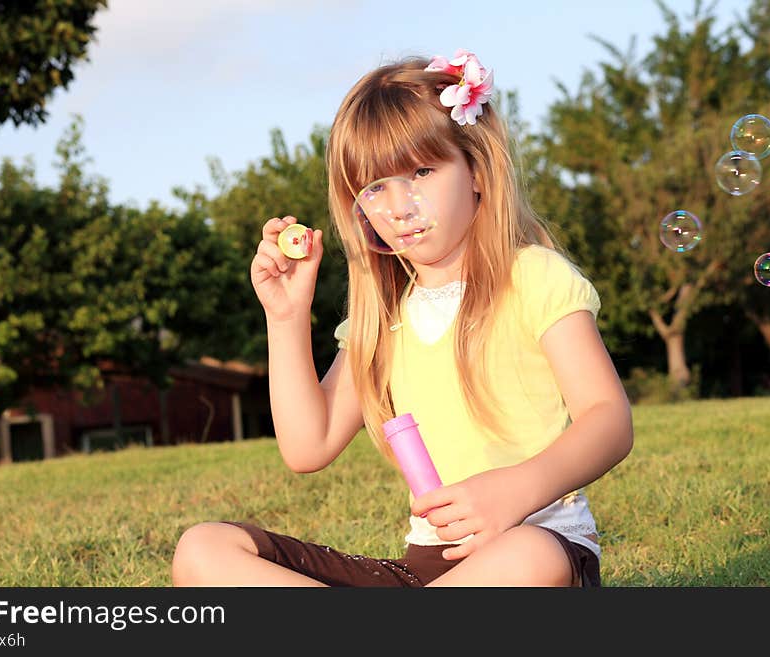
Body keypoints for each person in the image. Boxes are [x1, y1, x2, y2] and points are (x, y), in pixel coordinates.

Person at [171, 49, 633, 587]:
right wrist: (287, 316)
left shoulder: (531, 276)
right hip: (426, 574)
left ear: (477, 171)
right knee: (204, 550)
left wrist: (517, 490)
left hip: (533, 551)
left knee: (530, 556)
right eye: (374, 187)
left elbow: (608, 418)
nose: (399, 205)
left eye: (421, 170)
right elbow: (307, 445)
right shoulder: (386, 317)